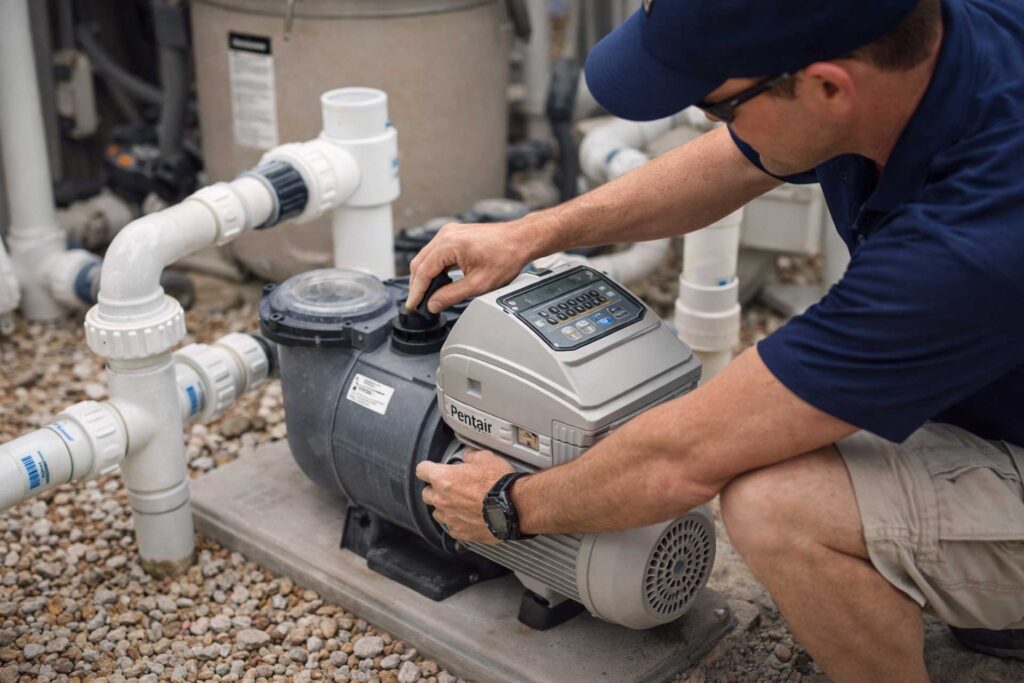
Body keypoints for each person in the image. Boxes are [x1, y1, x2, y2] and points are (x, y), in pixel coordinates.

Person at [408, 1, 1024, 679]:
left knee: (779, 503)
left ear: (827, 88)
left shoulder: (971, 240)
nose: (710, 121)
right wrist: (532, 232)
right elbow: (735, 162)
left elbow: (687, 456)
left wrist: (509, 503)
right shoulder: (912, 42)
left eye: (719, 105)